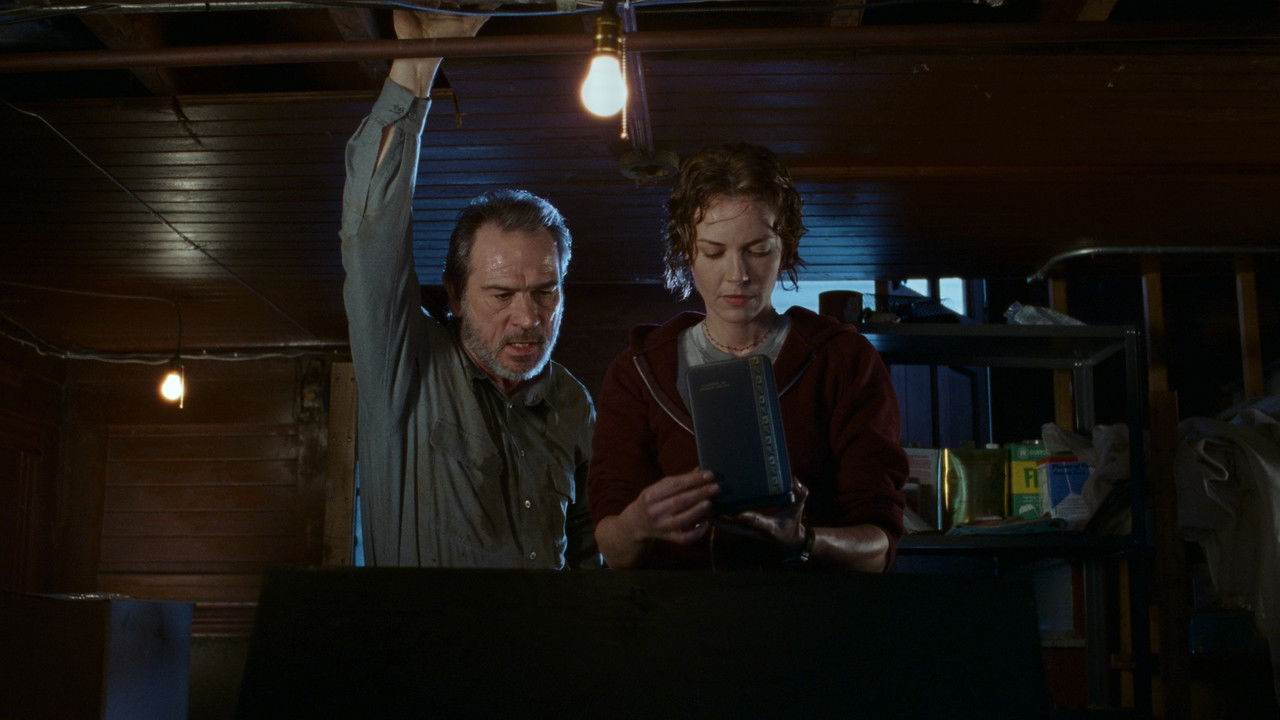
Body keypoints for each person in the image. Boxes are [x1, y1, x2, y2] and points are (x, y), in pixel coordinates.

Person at [340, 7, 599, 570]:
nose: (528, 318)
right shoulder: (407, 368)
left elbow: (585, 555)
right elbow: (370, 234)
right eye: (501, 295)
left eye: (545, 292)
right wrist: (417, 63)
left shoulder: (573, 402)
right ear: (455, 296)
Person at [588, 142, 907, 571]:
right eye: (714, 252)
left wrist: (804, 540)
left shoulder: (843, 361)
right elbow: (613, 547)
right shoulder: (638, 371)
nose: (737, 274)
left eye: (757, 250)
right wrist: (636, 524)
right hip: (678, 611)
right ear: (686, 250)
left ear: (785, 247)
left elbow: (880, 547)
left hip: (806, 609)